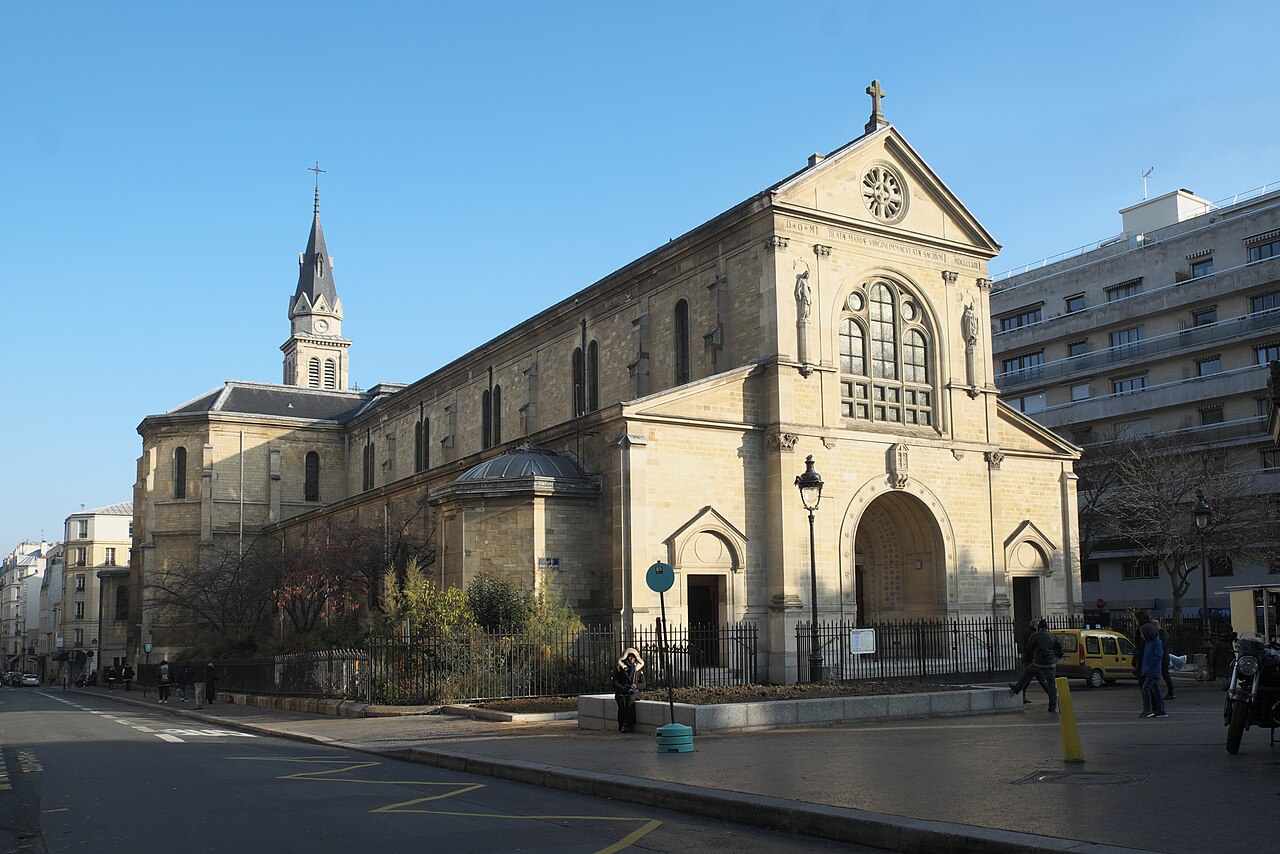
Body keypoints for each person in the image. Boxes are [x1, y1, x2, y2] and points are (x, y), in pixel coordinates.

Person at [1008, 620, 1064, 713]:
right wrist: (1056, 657)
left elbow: (1028, 647)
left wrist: (1035, 654)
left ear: (1039, 627)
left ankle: (1017, 688)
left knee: (1027, 671)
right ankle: (1052, 707)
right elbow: (1060, 649)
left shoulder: (1035, 636)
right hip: (1050, 663)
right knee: (1051, 684)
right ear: (1046, 627)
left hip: (1038, 662)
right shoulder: (1052, 636)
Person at [612, 648, 646, 733]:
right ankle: (622, 725)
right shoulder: (620, 669)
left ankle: (629, 724)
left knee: (631, 700)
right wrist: (625, 688)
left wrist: (636, 685)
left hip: (634, 692)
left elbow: (644, 684)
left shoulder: (638, 670)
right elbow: (615, 683)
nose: (631, 659)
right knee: (622, 701)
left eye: (633, 657)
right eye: (630, 657)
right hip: (622, 692)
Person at [1138, 622, 1167, 718]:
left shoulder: (1156, 642)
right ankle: (1161, 710)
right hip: (1151, 669)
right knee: (1155, 690)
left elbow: (1158, 656)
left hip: (1153, 670)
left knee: (1145, 689)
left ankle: (1148, 709)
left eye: (1142, 633)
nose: (1141, 635)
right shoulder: (1151, 642)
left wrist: (1148, 667)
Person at [1152, 619, 1175, 699]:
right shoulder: (1163, 633)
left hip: (1163, 657)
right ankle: (1170, 691)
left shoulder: (1161, 634)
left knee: (1165, 675)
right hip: (1163, 656)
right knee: (1164, 675)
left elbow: (1162, 645)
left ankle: (1171, 691)